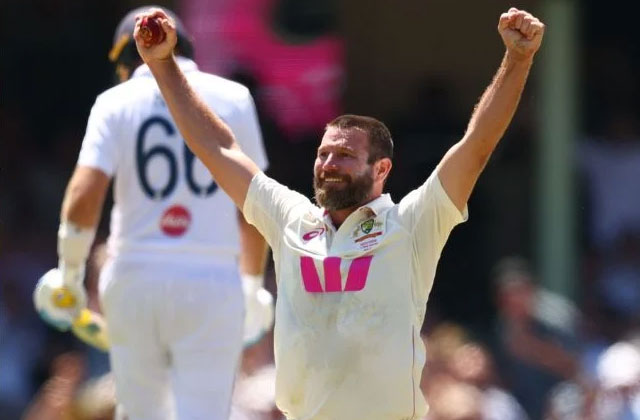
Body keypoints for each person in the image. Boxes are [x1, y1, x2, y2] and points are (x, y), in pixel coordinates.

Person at [133, 6, 544, 419]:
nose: (329, 164)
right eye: (323, 153)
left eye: (345, 155)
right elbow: (218, 148)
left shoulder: (411, 223)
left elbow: (475, 147)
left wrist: (518, 58)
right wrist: (163, 65)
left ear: (381, 169)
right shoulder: (290, 218)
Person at [35, 6, 271, 420]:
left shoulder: (115, 101)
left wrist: (69, 275)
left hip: (134, 275)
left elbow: (84, 195)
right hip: (212, 279)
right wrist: (251, 286)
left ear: (125, 62)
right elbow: (254, 205)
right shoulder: (235, 98)